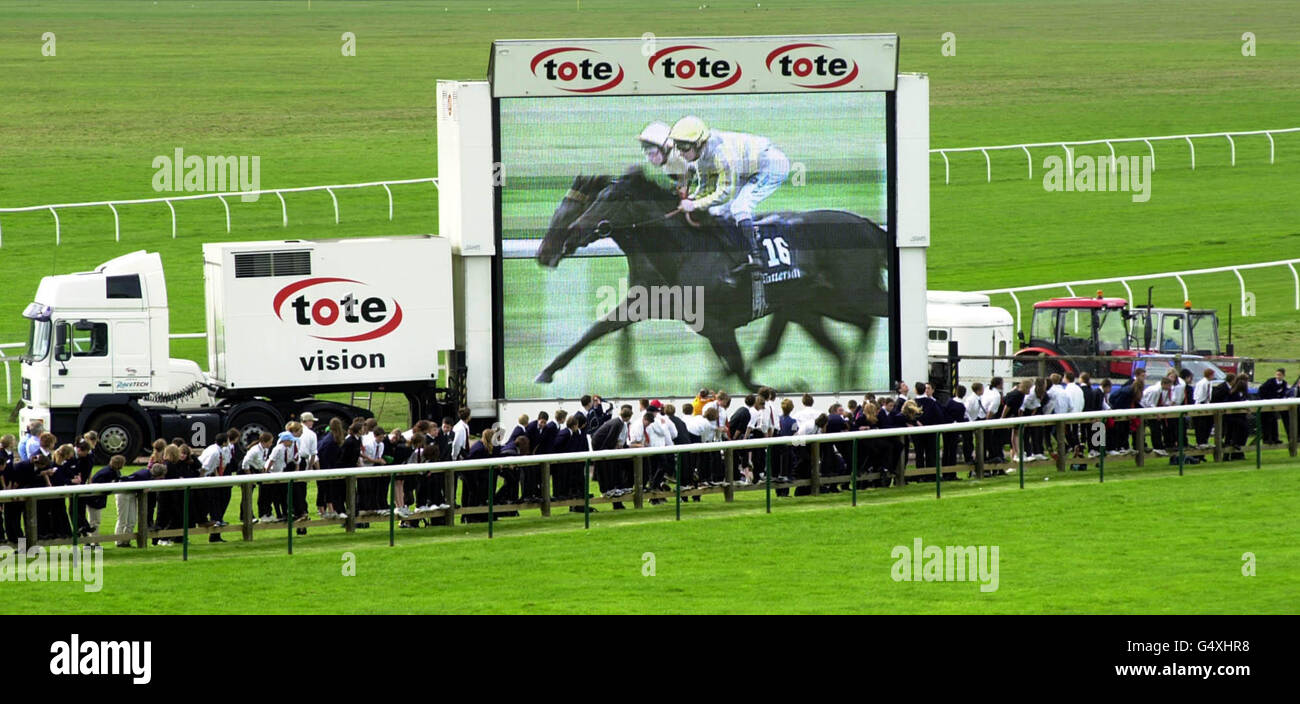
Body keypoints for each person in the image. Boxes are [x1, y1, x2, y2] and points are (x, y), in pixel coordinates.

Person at [668, 115, 791, 283]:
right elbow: (706, 188)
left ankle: (755, 258)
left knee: (739, 207)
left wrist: (694, 204)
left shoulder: (722, 155)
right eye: (677, 147)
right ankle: (734, 253)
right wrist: (690, 201)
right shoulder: (700, 157)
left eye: (684, 147)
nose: (680, 153)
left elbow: (725, 192)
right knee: (718, 211)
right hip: (746, 169)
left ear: (698, 144)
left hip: (771, 165)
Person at [1257, 368, 1288, 445]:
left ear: (1283, 375)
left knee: (1274, 421)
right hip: (1267, 403)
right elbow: (1261, 389)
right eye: (1277, 374)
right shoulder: (1270, 381)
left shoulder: (1284, 383)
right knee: (1267, 421)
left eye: (1280, 375)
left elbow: (1283, 393)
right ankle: (1266, 439)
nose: (1278, 376)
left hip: (1275, 405)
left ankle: (1275, 438)